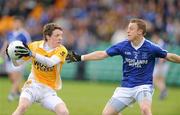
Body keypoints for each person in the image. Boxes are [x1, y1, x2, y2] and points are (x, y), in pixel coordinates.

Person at [66, 18, 180, 115]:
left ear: (140, 31)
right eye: (128, 28)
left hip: (143, 86)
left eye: (131, 29)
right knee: (106, 114)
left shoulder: (151, 47)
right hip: (126, 87)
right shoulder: (123, 45)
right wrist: (80, 57)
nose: (127, 31)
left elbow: (169, 56)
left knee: (145, 109)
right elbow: (102, 54)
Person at [11, 23, 69, 115]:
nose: (60, 38)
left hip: (49, 90)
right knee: (22, 107)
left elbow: (50, 62)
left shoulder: (62, 50)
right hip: (32, 85)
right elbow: (18, 64)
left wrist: (32, 54)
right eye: (57, 35)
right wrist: (13, 56)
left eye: (61, 35)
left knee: (63, 112)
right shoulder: (34, 46)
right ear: (48, 37)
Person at [1, 16, 31, 101]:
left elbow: (29, 44)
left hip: (20, 58)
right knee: (12, 78)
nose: (16, 24)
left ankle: (11, 94)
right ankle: (19, 92)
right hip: (9, 58)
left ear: (21, 24)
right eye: (15, 23)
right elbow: (6, 44)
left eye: (18, 23)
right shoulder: (10, 33)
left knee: (17, 76)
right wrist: (2, 53)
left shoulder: (24, 34)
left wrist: (28, 56)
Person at [151, 32, 169, 100]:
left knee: (154, 79)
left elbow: (162, 56)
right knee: (161, 80)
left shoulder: (161, 44)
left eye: (153, 37)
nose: (153, 39)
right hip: (163, 65)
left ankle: (164, 90)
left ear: (156, 36)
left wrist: (159, 66)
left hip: (161, 65)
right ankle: (163, 92)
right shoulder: (161, 43)